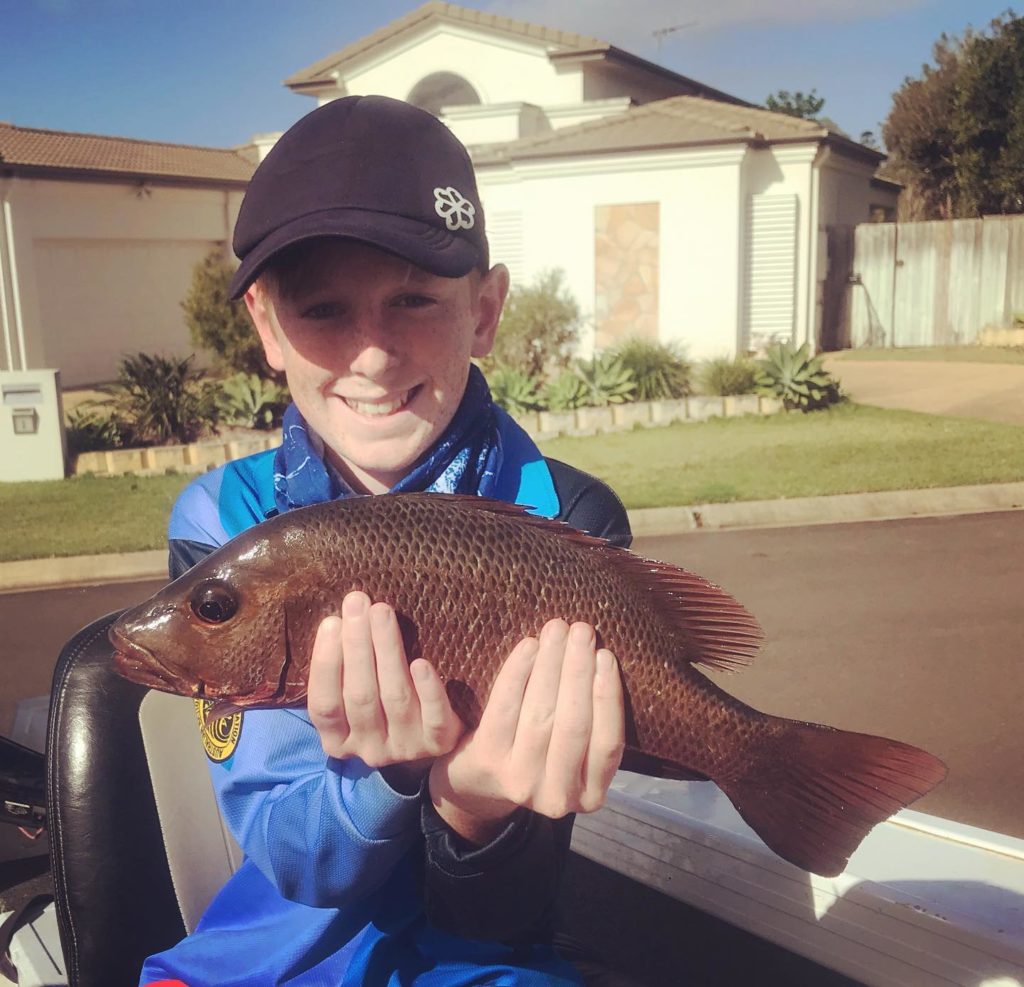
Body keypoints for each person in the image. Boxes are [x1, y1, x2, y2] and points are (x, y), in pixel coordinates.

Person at [141, 94, 633, 987]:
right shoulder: (224, 524)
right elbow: (295, 856)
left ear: (485, 309)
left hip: (480, 961)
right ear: (265, 326)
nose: (371, 354)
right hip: (260, 961)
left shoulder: (567, 520)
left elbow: (504, 913)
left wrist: (472, 805)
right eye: (323, 309)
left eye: (414, 299)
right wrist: (391, 777)